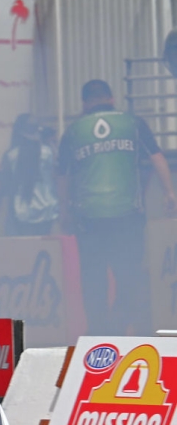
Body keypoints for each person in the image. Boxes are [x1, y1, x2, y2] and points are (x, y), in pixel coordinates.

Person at [59, 79, 177, 334]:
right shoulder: (132, 123)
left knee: (94, 282)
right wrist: (169, 192)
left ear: (84, 103)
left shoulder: (73, 131)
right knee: (130, 276)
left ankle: (99, 337)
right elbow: (157, 157)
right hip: (127, 218)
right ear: (112, 99)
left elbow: (62, 176)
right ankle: (130, 331)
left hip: (88, 220)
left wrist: (64, 211)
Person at [0, 114, 59, 236]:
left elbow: (7, 185)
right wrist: (51, 141)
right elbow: (58, 172)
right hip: (47, 209)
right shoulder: (47, 152)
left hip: (22, 211)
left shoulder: (10, 155)